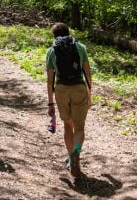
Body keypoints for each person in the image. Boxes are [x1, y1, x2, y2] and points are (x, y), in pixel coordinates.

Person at [46, 22, 92, 178]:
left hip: (61, 90)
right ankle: (77, 154)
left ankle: (70, 157)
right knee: (79, 127)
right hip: (79, 88)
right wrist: (89, 93)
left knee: (67, 126)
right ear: (68, 32)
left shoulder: (51, 51)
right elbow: (87, 73)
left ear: (54, 36)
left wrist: (50, 102)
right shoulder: (80, 47)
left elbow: (49, 79)